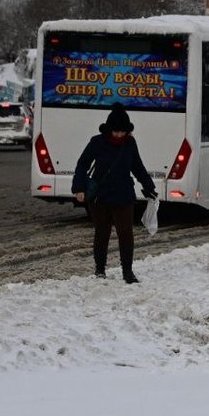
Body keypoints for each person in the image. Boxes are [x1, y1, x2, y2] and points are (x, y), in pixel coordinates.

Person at [72, 103, 158, 282]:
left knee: (125, 233)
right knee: (102, 232)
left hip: (123, 193)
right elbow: (82, 164)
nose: (119, 135)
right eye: (116, 131)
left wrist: (149, 186)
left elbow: (137, 167)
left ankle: (127, 271)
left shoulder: (130, 143)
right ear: (108, 129)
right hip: (99, 196)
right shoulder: (97, 142)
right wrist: (79, 188)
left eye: (122, 131)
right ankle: (100, 269)